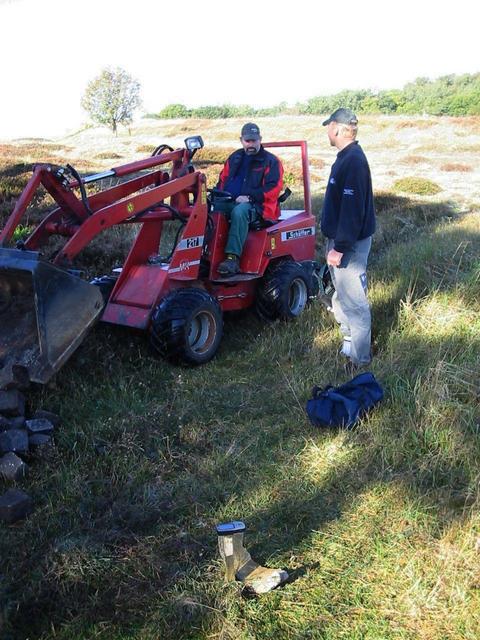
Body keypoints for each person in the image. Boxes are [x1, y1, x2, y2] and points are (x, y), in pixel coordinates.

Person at [320, 108, 376, 369]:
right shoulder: (345, 157)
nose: (327, 132)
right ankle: (349, 345)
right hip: (341, 241)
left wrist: (340, 247)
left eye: (328, 127)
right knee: (340, 298)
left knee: (355, 303)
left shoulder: (353, 160)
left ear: (338, 128)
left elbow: (352, 209)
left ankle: (360, 362)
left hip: (348, 245)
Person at [215, 123, 284, 276]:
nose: (251, 144)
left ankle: (232, 259)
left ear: (260, 139)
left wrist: (250, 197)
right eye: (248, 141)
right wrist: (217, 196)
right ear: (241, 140)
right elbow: (222, 181)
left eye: (254, 140)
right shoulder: (234, 158)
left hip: (261, 207)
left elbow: (274, 188)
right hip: (232, 200)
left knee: (240, 212)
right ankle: (207, 253)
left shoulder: (271, 161)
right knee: (211, 208)